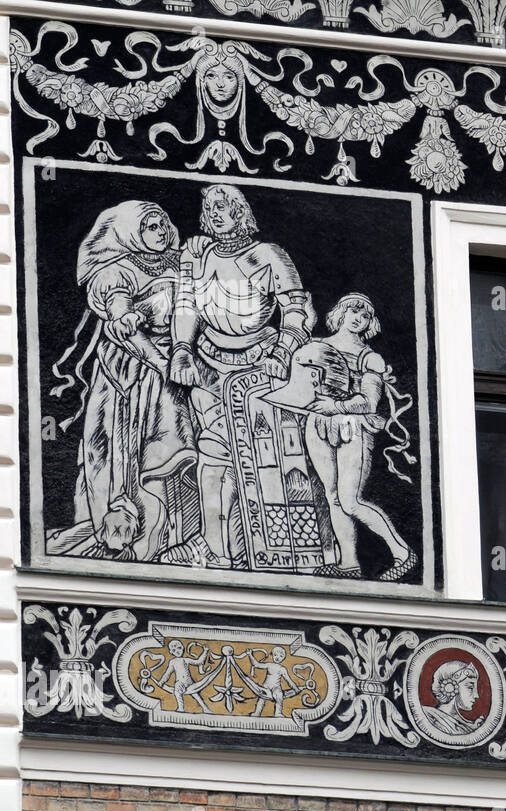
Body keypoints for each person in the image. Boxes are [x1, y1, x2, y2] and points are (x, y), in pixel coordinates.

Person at [162, 184, 316, 569]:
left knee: (264, 464)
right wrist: (182, 349)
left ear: (241, 211)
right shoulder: (197, 257)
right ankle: (215, 550)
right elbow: (186, 306)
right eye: (209, 206)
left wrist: (283, 352)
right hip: (209, 368)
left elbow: (296, 311)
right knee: (212, 460)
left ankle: (266, 550)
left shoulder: (267, 255)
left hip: (260, 372)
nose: (215, 212)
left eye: (223, 205)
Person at [47, 201, 197, 561]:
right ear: (129, 231)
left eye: (163, 225)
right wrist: (163, 362)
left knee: (175, 449)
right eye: (150, 227)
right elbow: (125, 328)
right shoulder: (114, 273)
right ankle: (132, 533)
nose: (160, 234)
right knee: (121, 452)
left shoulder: (181, 265)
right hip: (127, 376)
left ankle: (178, 536)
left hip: (175, 365)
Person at [286, 293, 416, 581]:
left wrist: (336, 405)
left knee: (350, 501)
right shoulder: (317, 346)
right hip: (317, 423)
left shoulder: (370, 358)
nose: (359, 318)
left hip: (351, 427)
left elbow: (369, 402)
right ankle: (348, 563)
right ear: (340, 313)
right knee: (332, 497)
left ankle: (402, 552)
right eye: (354, 311)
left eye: (365, 315)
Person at [422, 660, 483, 735]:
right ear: (451, 687)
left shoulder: (469, 726)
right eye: (470, 688)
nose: (476, 695)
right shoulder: (429, 717)